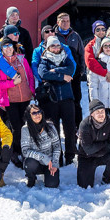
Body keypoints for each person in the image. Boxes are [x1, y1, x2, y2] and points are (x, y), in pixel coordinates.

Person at [34, 35, 78, 165]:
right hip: (51, 101)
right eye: (53, 45)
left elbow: (71, 69)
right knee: (54, 131)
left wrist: (56, 71)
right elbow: (43, 74)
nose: (56, 48)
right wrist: (62, 77)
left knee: (69, 129)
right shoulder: (44, 60)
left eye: (57, 45)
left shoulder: (66, 57)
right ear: (48, 47)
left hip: (67, 99)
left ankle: (70, 155)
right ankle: (57, 156)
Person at [0, 37, 35, 167]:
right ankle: (16, 152)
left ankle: (26, 150)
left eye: (10, 46)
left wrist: (32, 91)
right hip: (11, 101)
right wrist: (12, 83)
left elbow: (30, 76)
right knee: (16, 128)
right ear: (1, 50)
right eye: (5, 47)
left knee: (26, 126)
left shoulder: (22, 59)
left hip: (25, 99)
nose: (8, 48)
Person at [76, 99, 110, 188]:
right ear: (92, 114)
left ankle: (107, 177)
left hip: (104, 154)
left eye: (102, 111)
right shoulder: (85, 125)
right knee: (84, 186)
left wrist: (97, 148)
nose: (101, 114)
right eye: (97, 112)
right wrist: (104, 144)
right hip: (87, 156)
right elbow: (88, 149)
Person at [53, 12, 86, 126]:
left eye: (68, 21)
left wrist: (81, 69)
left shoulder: (75, 35)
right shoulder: (53, 36)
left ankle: (78, 126)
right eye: (63, 21)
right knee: (59, 101)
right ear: (58, 22)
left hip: (74, 75)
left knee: (76, 100)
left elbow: (82, 53)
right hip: (59, 75)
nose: (66, 23)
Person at [21, 102, 62, 188]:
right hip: (35, 162)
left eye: (39, 112)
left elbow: (57, 146)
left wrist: (54, 163)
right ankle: (31, 177)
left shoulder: (50, 126)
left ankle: (49, 175)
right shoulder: (25, 129)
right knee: (30, 162)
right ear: (29, 115)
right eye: (34, 113)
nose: (37, 115)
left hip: (49, 163)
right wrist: (43, 157)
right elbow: (25, 151)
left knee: (52, 184)